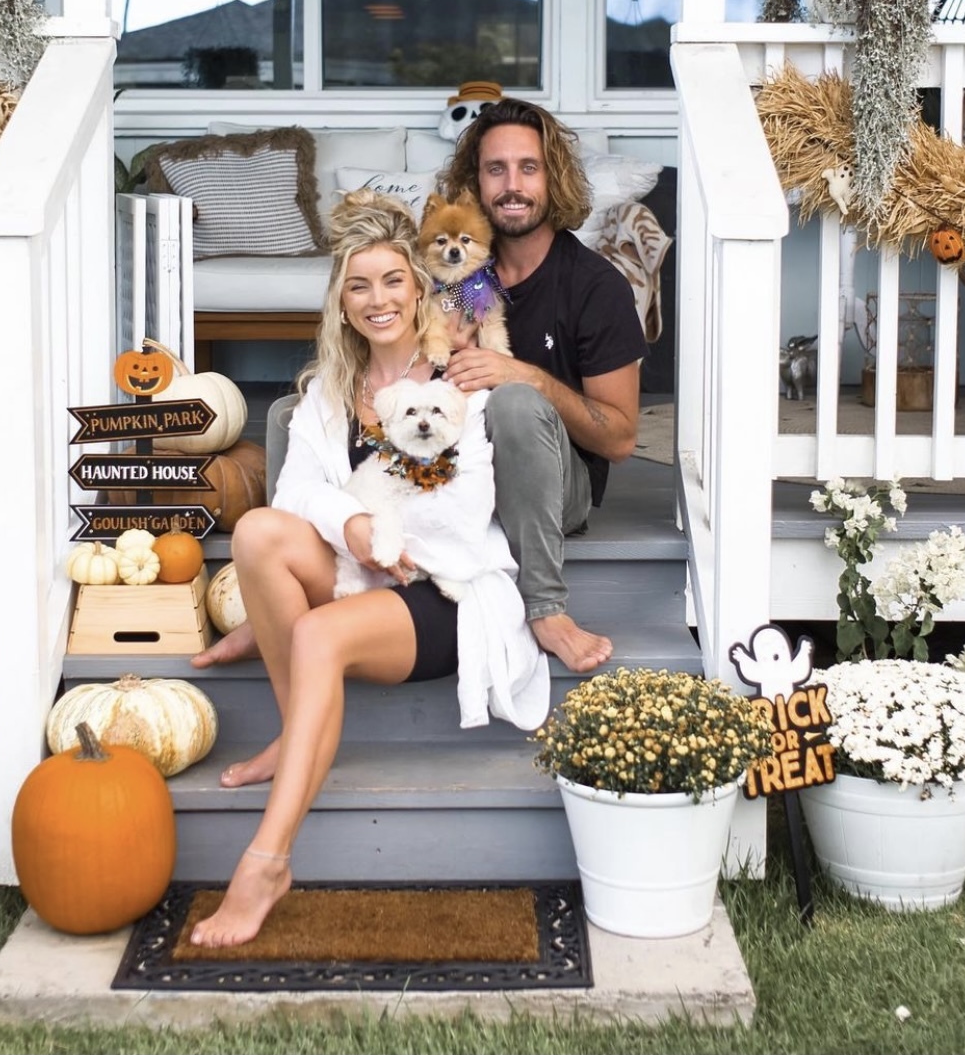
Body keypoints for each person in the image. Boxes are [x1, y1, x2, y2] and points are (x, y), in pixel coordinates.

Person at [188, 190, 546, 949]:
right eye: (359, 285)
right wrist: (353, 527)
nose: (377, 299)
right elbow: (292, 495)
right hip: (363, 572)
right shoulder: (330, 391)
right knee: (257, 531)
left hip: (438, 588)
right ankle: (302, 732)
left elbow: (466, 507)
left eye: (392, 281)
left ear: (418, 288)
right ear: (342, 302)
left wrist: (380, 534)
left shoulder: (456, 382)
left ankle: (266, 861)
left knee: (316, 634)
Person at [440, 96, 648, 675]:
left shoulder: (594, 286)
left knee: (513, 401)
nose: (512, 185)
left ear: (552, 179)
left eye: (528, 168)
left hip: (559, 486)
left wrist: (526, 376)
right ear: (475, 183)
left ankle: (545, 608)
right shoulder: (465, 276)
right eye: (496, 169)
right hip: (469, 470)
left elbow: (620, 439)